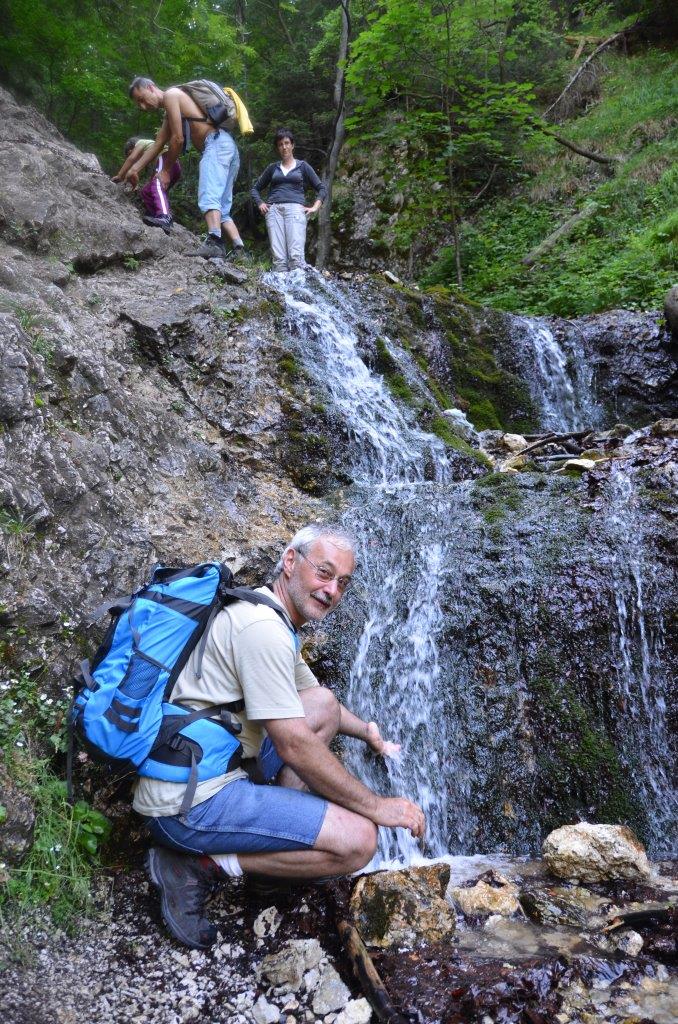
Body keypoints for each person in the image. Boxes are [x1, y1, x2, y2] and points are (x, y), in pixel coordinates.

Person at [136, 523, 426, 950]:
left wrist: (368, 733)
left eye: (342, 582)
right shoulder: (263, 631)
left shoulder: (268, 616)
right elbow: (292, 743)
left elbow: (318, 704)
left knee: (322, 703)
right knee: (359, 840)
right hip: (187, 805)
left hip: (207, 771)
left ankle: (276, 864)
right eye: (324, 573)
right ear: (291, 561)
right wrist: (377, 806)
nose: (332, 590)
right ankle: (198, 865)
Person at [125, 77, 248, 261]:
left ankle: (215, 242)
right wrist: (133, 169)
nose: (143, 106)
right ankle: (239, 249)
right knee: (222, 206)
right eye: (138, 104)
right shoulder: (171, 106)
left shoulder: (172, 95)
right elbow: (158, 144)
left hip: (215, 146)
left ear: (151, 87)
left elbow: (178, 139)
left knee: (209, 196)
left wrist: (165, 171)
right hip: (227, 146)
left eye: (142, 99)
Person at [251, 128, 327, 271]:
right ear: (277, 148)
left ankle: (299, 291)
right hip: (274, 212)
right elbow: (255, 189)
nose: (284, 147)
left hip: (295, 211)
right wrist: (260, 203)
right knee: (279, 260)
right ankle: (281, 293)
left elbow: (321, 188)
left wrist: (315, 207)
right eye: (280, 144)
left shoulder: (302, 166)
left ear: (293, 145)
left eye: (286, 143)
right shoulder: (272, 168)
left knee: (296, 257)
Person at [112, 136, 181, 235]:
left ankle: (164, 216)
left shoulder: (141, 143)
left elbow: (131, 159)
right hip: (174, 167)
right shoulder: (151, 151)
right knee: (147, 191)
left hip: (167, 159)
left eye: (130, 153)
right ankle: (155, 216)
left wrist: (120, 175)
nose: (134, 158)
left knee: (157, 183)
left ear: (133, 147)